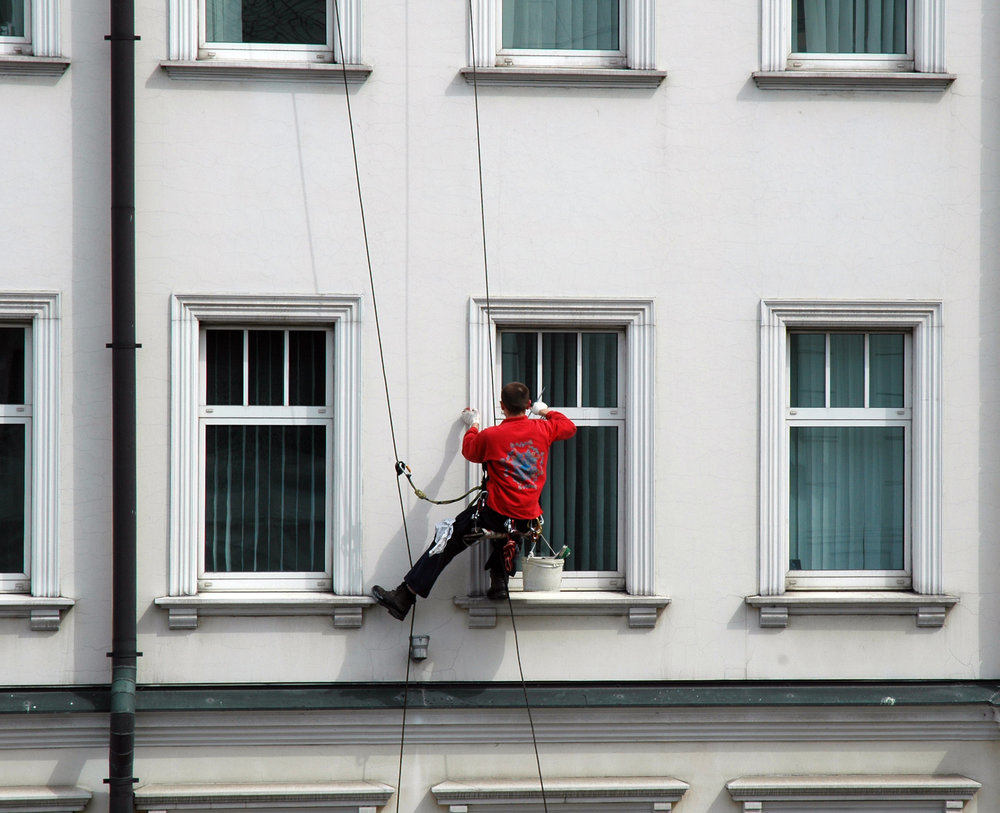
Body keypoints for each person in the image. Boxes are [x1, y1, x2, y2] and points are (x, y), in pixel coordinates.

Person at [371, 381, 577, 620]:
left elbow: (469, 451)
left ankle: (405, 596)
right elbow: (568, 427)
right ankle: (499, 582)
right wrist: (544, 411)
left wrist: (474, 424)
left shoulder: (492, 436)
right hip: (526, 518)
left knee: (447, 540)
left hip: (496, 514)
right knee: (509, 528)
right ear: (528, 405)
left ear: (502, 406)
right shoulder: (544, 429)